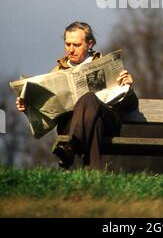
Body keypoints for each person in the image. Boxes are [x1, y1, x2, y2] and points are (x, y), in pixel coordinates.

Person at [16, 21, 138, 170]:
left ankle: (70, 147)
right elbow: (49, 114)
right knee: (95, 122)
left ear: (90, 44)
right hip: (72, 124)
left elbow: (131, 106)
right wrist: (28, 107)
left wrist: (128, 88)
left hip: (109, 121)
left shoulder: (107, 65)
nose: (71, 50)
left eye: (76, 45)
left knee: (89, 98)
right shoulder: (57, 72)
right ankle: (93, 173)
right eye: (67, 44)